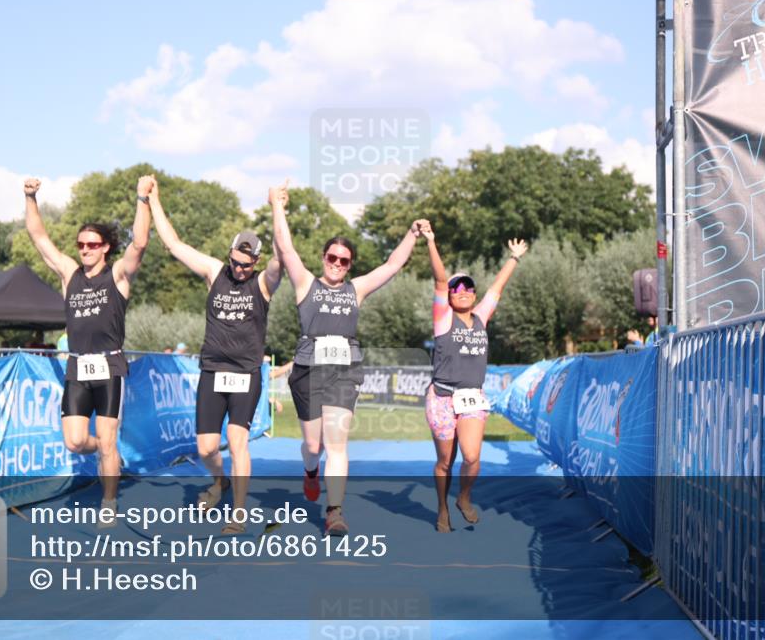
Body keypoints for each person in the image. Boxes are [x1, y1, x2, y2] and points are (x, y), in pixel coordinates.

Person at [270, 178, 427, 536]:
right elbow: (285, 246)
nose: (338, 263)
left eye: (344, 260)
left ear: (350, 265)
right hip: (308, 370)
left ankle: (335, 511)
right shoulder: (305, 283)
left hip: (344, 370)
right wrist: (276, 205)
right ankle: (310, 471)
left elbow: (391, 266)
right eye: (332, 257)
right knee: (314, 444)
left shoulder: (357, 289)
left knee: (337, 442)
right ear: (323, 258)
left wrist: (411, 234)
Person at [148, 180, 283, 534]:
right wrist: (154, 200)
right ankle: (219, 482)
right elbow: (173, 244)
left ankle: (238, 513)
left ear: (256, 260)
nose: (240, 270)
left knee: (238, 442)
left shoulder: (264, 283)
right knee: (206, 448)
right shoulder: (213, 272)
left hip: (246, 373)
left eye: (246, 265)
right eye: (235, 263)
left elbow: (283, 256)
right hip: (213, 370)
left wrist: (277, 208)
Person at [23, 175, 151, 524]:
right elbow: (39, 237)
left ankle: (109, 502)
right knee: (76, 442)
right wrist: (30, 198)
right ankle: (109, 457)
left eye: (92, 245)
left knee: (108, 441)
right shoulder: (70, 274)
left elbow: (139, 244)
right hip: (78, 369)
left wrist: (142, 199)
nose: (84, 249)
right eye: (81, 244)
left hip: (109, 368)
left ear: (105, 247)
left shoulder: (118, 276)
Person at [420, 221, 527, 532]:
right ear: (450, 295)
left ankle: (463, 497)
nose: (462, 291)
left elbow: (497, 289)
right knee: (444, 462)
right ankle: (442, 509)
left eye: (468, 287)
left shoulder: (480, 318)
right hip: (441, 398)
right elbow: (440, 280)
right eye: (457, 288)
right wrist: (430, 242)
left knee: (471, 456)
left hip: (471, 397)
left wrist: (514, 258)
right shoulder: (443, 320)